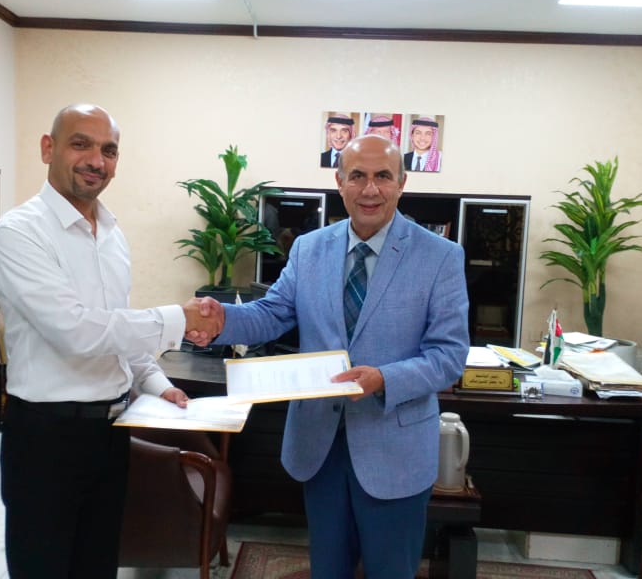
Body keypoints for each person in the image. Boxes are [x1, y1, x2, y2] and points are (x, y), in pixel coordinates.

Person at [190, 134, 470, 578]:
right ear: (339, 182)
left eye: (383, 176)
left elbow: (449, 356)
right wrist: (222, 320)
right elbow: (273, 313)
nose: (370, 189)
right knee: (328, 570)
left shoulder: (440, 257)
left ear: (402, 183)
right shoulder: (309, 248)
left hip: (393, 446)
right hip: (320, 444)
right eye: (357, 176)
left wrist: (383, 379)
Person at [0, 103, 219, 579]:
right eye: (81, 144)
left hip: (110, 433)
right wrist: (179, 318)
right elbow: (76, 331)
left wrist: (156, 383)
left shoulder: (111, 234)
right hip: (46, 437)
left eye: (108, 150)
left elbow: (117, 327)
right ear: (48, 148)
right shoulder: (18, 234)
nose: (96, 160)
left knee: (97, 564)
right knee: (43, 568)